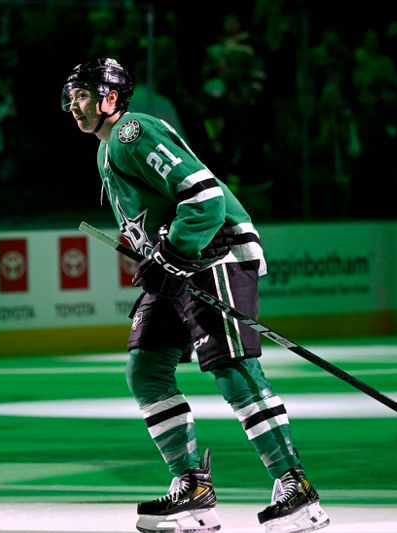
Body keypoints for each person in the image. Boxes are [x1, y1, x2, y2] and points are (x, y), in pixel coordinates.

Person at [61, 58, 330, 533]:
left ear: (109, 98)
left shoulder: (131, 133)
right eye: (71, 95)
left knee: (232, 367)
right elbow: (155, 213)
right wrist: (147, 250)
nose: (73, 104)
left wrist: (172, 253)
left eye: (83, 94)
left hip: (214, 252)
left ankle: (297, 487)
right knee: (146, 368)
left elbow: (203, 197)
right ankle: (193, 489)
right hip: (180, 261)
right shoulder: (105, 153)